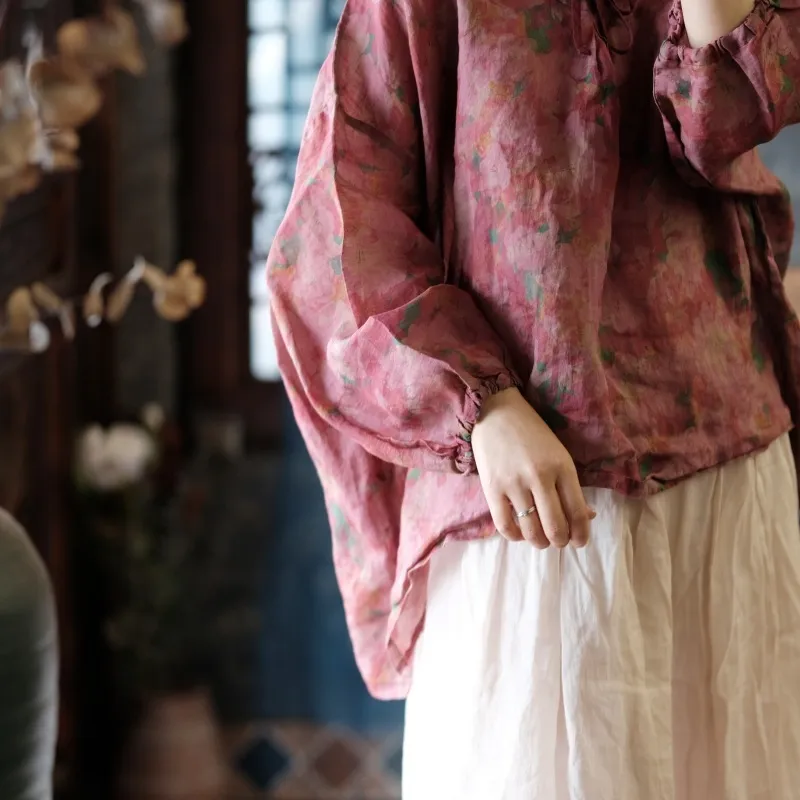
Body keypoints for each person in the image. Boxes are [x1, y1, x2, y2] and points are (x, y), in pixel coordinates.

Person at [267, 0, 800, 796]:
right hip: (534, 496)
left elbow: (724, 115)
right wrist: (482, 406)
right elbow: (341, 232)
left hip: (729, 465)